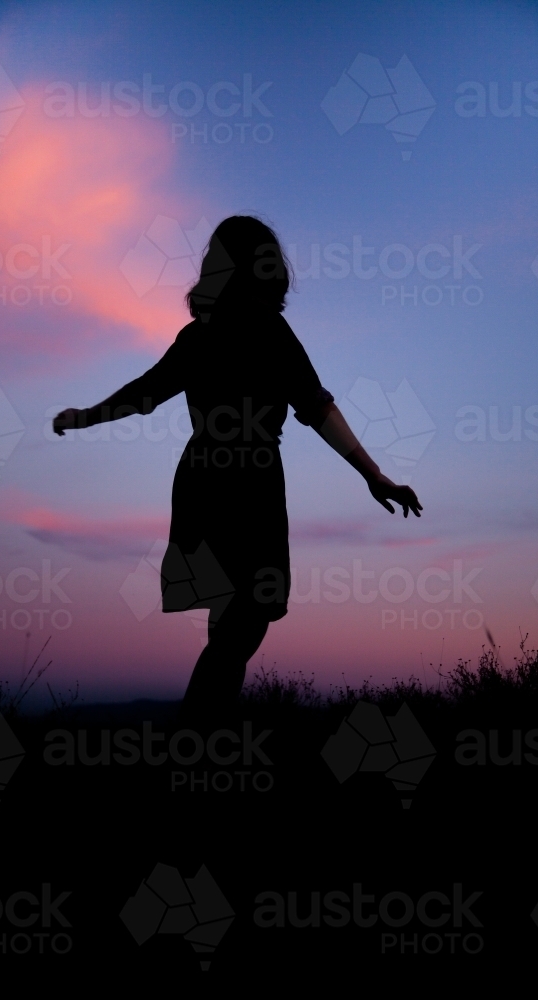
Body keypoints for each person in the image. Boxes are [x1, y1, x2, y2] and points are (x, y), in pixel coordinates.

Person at [53, 216, 422, 722]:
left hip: (202, 477)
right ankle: (194, 741)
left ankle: (199, 741)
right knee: (241, 627)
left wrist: (85, 416)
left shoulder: (197, 335)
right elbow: (315, 407)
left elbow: (145, 394)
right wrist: (371, 472)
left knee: (230, 625)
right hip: (250, 480)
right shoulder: (269, 329)